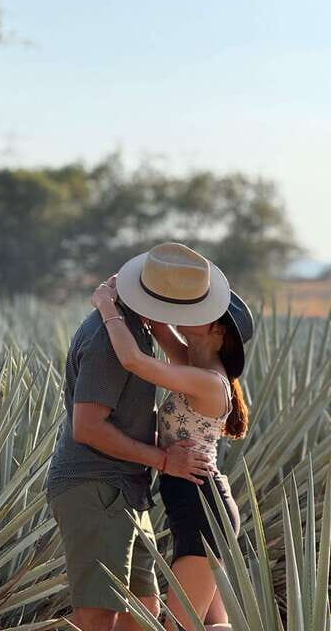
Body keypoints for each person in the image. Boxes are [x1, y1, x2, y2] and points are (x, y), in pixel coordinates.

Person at [47, 242, 239, 631]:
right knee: (154, 617)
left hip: (190, 503)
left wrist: (108, 303)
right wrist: (116, 306)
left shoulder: (200, 374)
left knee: (164, 620)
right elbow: (88, 426)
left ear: (217, 332)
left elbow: (136, 360)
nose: (191, 314)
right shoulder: (121, 340)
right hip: (110, 488)